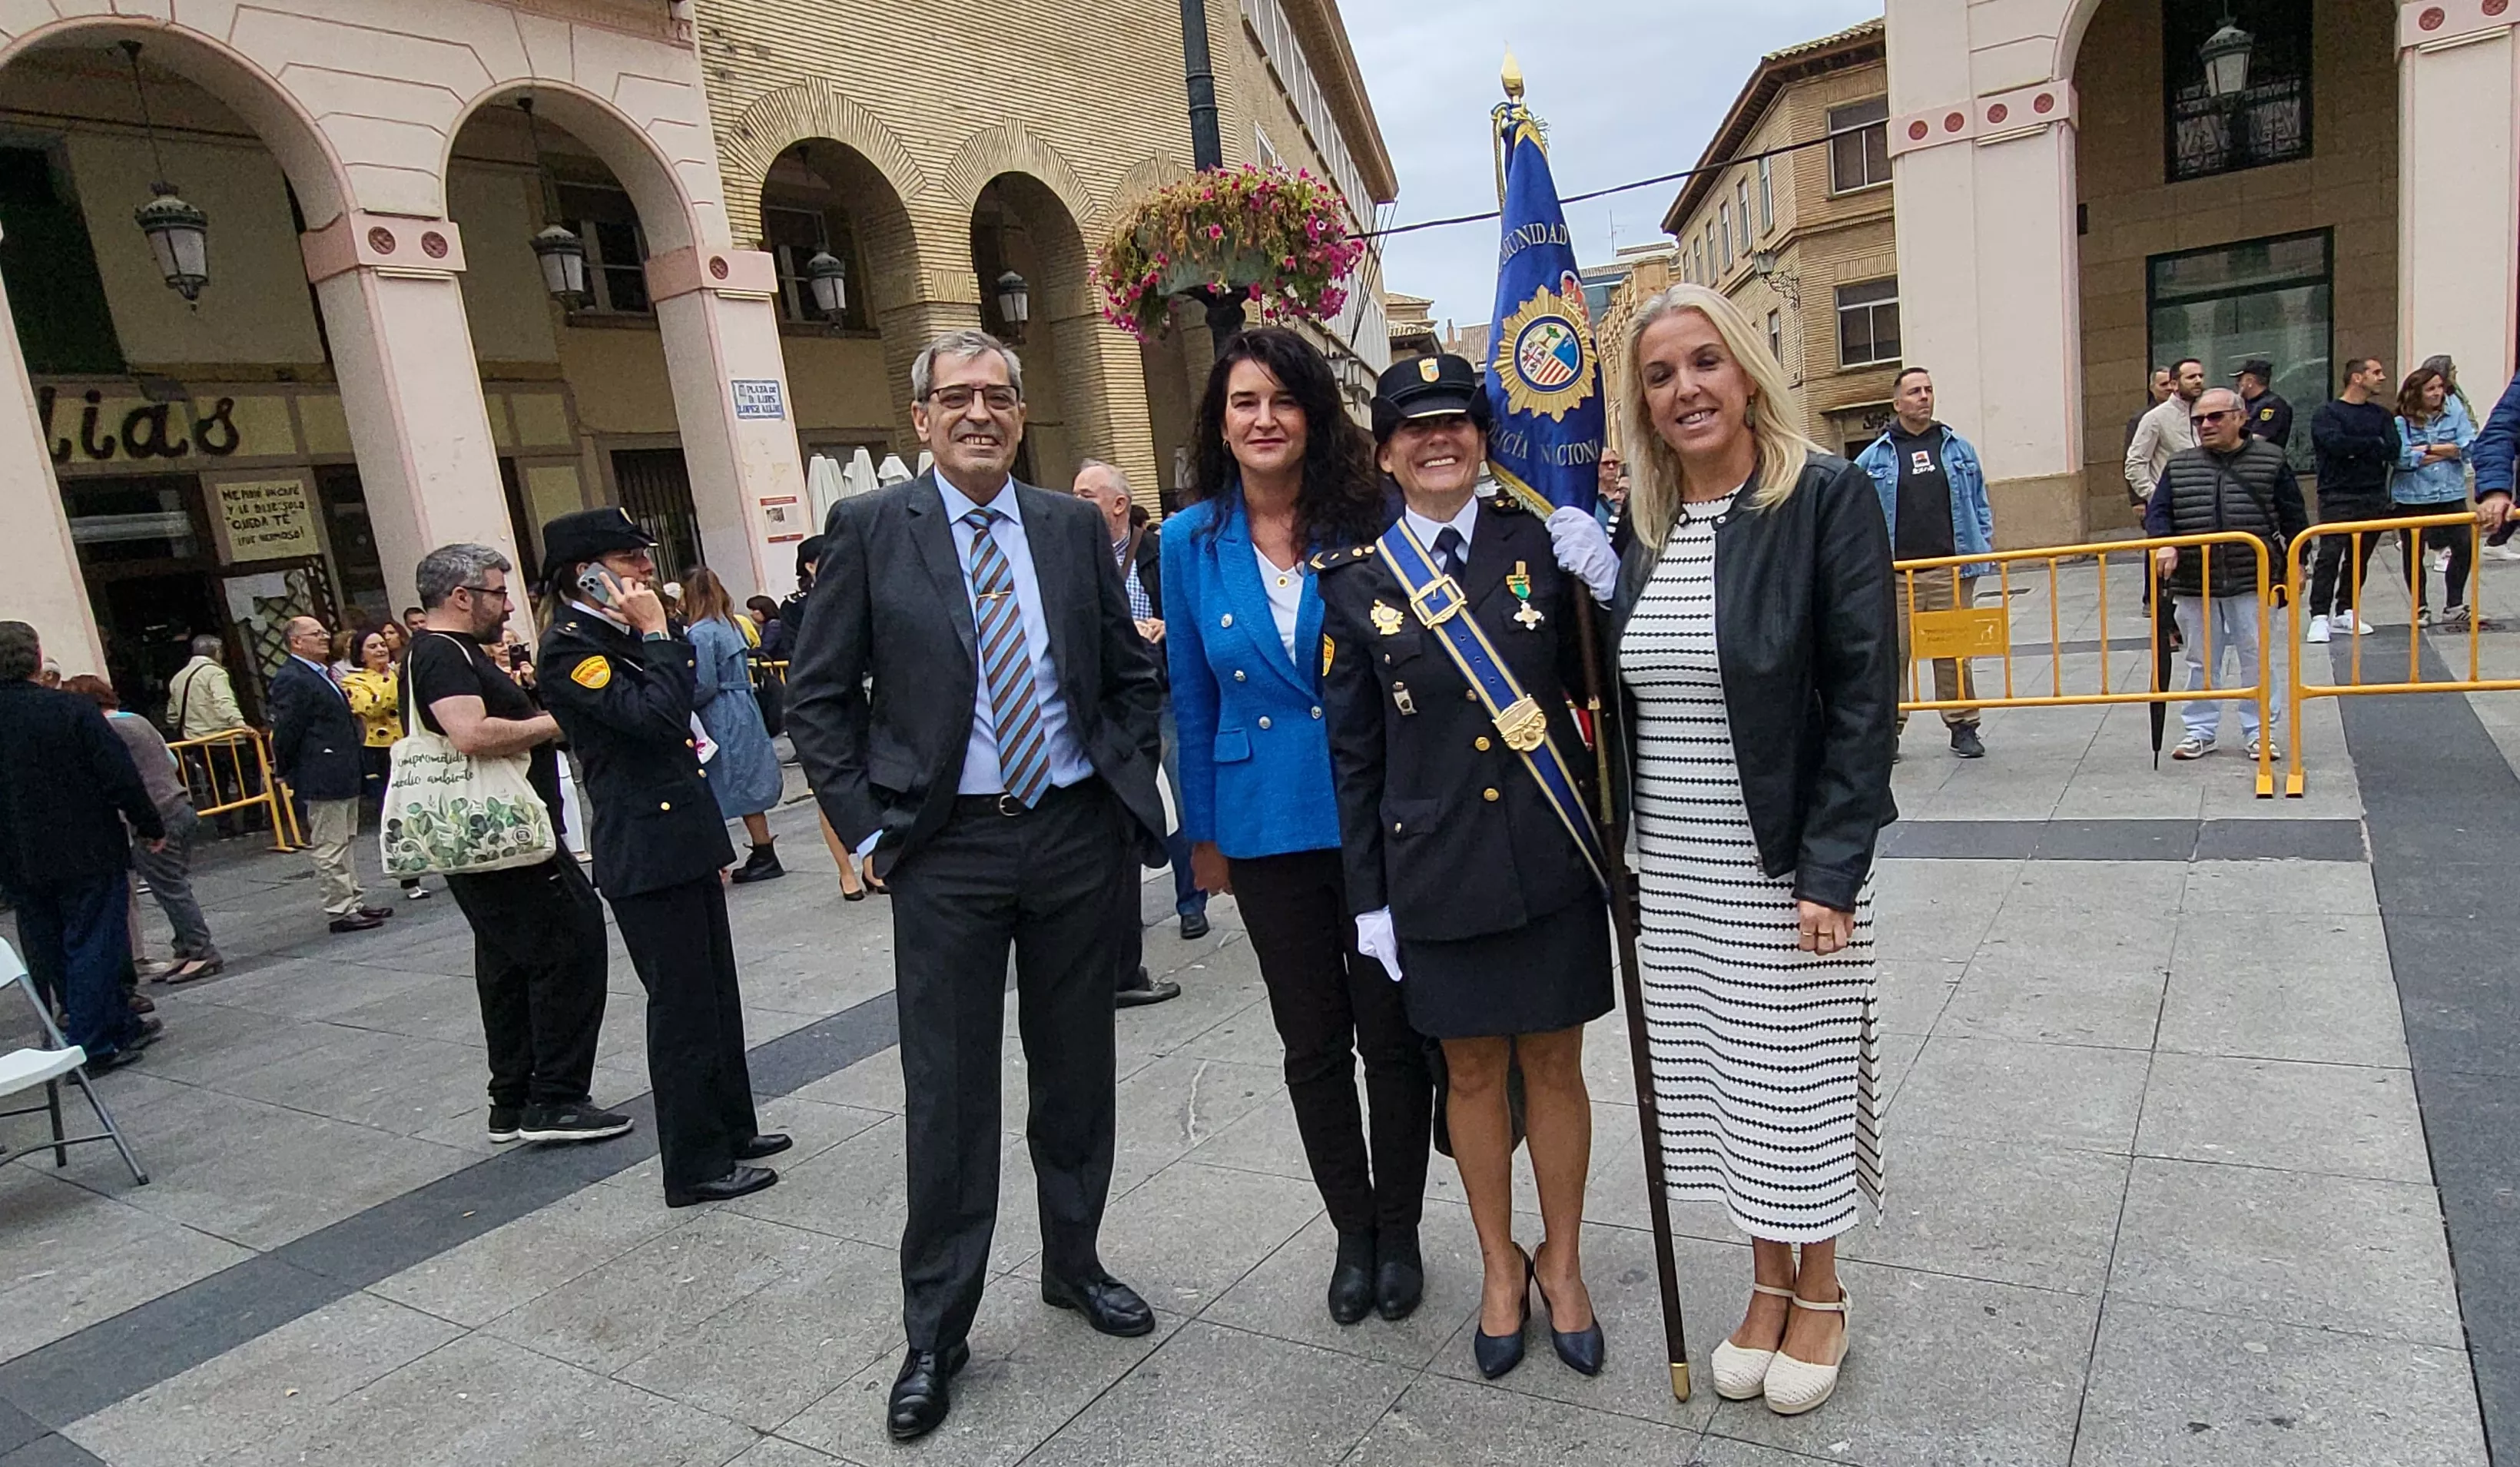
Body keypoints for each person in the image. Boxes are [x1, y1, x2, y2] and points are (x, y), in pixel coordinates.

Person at [785, 328, 1168, 1443]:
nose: (980, 413)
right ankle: (936, 1329)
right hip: (942, 849)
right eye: (957, 397)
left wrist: (1114, 785)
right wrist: (871, 830)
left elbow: (1130, 673)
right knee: (949, 1094)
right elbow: (815, 700)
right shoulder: (870, 528)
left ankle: (1075, 1261)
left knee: (1075, 1070)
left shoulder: (1063, 527)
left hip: (1066, 837)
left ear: (1019, 409)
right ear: (922, 418)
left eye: (999, 394)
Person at [1606, 284, 1895, 1417]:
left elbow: (1867, 695)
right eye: (1662, 374)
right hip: (1678, 869)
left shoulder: (1823, 496)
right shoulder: (1649, 523)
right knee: (1723, 1084)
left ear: (1747, 372)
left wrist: (1834, 866)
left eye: (1704, 363)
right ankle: (1765, 1281)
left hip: (1783, 862)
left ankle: (1821, 1290)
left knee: (1797, 1082)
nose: (1686, 389)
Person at [1318, 351, 1622, 1382]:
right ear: (1385, 451)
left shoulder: (1542, 545)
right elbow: (1354, 760)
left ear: (1485, 438)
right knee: (1475, 1073)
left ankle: (1564, 1263)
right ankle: (1501, 1267)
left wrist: (1607, 585)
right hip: (1434, 870)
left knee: (1556, 1065)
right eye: (1415, 426)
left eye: (1458, 422)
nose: (1438, 439)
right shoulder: (1358, 583)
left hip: (1549, 855)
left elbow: (1606, 689)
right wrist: (1369, 903)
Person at [1166, 328, 1429, 1327]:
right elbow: (1190, 696)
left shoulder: (1369, 516)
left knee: (1392, 1036)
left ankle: (1400, 1230)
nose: (1264, 418)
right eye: (1244, 402)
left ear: (1314, 414)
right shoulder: (1188, 542)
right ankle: (1352, 1233)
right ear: (1221, 422)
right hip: (1265, 824)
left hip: (1377, 816)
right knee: (1311, 1041)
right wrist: (1204, 834)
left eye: (1283, 399)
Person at [537, 509, 784, 1206]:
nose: (646, 571)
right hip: (645, 846)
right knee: (680, 1013)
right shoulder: (572, 646)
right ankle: (694, 1163)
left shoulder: (627, 635)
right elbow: (656, 718)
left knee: (715, 998)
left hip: (683, 836)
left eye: (644, 558)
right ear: (585, 573)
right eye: (628, 560)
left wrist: (652, 635)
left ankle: (733, 1127)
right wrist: (652, 633)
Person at [409, 543, 630, 1146]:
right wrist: (556, 720)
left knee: (507, 965)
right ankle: (555, 1096)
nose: (507, 607)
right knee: (572, 943)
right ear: (461, 597)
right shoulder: (442, 653)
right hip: (506, 840)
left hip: (495, 841)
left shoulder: (444, 652)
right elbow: (470, 733)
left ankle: (512, 1097)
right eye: (497, 593)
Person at [0, 623, 165, 1068]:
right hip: (84, 845)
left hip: (18, 856)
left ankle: (110, 1023)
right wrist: (149, 822)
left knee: (50, 943)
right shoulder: (70, 711)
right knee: (94, 942)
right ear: (35, 659)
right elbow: (118, 775)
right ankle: (92, 1041)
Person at [1076, 456, 1207, 968]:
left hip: (1167, 692)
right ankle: (1121, 923)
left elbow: (1194, 610)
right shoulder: (1075, 556)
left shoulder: (1160, 551)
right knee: (1126, 807)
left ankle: (1190, 899)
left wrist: (1164, 625)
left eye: (1086, 494)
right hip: (1112, 703)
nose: (1075, 503)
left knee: (1179, 801)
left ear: (1119, 503)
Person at [2145, 387, 2309, 761]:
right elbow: (2160, 513)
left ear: (2240, 417)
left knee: (2256, 656)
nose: (2206, 425)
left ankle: (2260, 731)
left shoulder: (2270, 460)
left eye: (2215, 417)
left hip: (2253, 576)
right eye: (2199, 419)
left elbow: (2294, 516)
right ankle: (2200, 731)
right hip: (2194, 579)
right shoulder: (2180, 465)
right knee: (2201, 659)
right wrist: (2165, 543)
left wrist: (2299, 562)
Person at [1855, 366, 1992, 760]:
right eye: (1915, 391)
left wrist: (1982, 545)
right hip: (1894, 575)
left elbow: (1980, 501)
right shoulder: (1874, 456)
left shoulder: (1957, 448)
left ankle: (1963, 725)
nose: (1924, 397)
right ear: (1897, 403)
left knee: (1954, 653)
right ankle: (1889, 730)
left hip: (1949, 570)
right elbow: (1858, 513)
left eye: (1929, 389)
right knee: (1892, 655)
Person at [65, 674, 221, 984]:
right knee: (174, 881)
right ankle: (185, 947)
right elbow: (171, 761)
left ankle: (202, 951)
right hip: (180, 805)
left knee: (171, 889)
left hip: (156, 814)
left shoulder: (107, 730)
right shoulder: (136, 720)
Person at [269, 616, 393, 933]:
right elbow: (286, 729)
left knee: (345, 838)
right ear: (297, 642)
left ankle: (353, 899)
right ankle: (340, 908)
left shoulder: (320, 673)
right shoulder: (293, 678)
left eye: (324, 632)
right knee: (330, 842)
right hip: (321, 769)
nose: (325, 638)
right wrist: (283, 768)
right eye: (316, 634)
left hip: (340, 767)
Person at [676, 567, 788, 883]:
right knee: (745, 778)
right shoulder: (730, 624)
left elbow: (705, 683)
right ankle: (763, 850)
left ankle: (718, 857)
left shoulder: (699, 633)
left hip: (720, 711)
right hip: (743, 704)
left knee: (718, 779)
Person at [2304, 356, 2395, 642]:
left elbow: (2393, 449)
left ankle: (2347, 610)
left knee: (2360, 557)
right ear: (2357, 377)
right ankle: (2319, 616)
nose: (2382, 377)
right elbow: (2335, 445)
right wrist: (2371, 444)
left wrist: (2361, 447)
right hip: (2337, 494)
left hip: (2373, 494)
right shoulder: (2327, 414)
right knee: (2330, 554)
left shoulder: (2382, 415)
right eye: (2376, 372)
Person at [2392, 364, 2483, 629]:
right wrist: (2446, 450)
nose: (2437, 394)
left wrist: (2429, 448)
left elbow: (2466, 447)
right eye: (2430, 389)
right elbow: (2402, 457)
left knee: (2464, 546)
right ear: (2417, 392)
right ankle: (2419, 607)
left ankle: (2454, 605)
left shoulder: (2453, 410)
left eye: (2440, 388)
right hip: (2413, 496)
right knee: (2413, 553)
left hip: (2450, 492)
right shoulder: (2401, 421)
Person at [2126, 357, 2204, 509]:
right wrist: (2155, 496)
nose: (2198, 381)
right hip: (2174, 503)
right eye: (2191, 377)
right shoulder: (2154, 418)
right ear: (2174, 384)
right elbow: (2135, 462)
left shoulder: (2207, 411)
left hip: (2206, 499)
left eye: (2201, 376)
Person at [2233, 357, 2293, 450]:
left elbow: (2258, 438)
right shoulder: (2244, 403)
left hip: (2265, 460)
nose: (2237, 384)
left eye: (2239, 380)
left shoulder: (2273, 405)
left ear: (2250, 381)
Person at [2124, 366, 2174, 453]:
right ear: (2152, 388)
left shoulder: (2188, 412)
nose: (2170, 388)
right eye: (2164, 384)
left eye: (2172, 384)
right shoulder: (2140, 419)